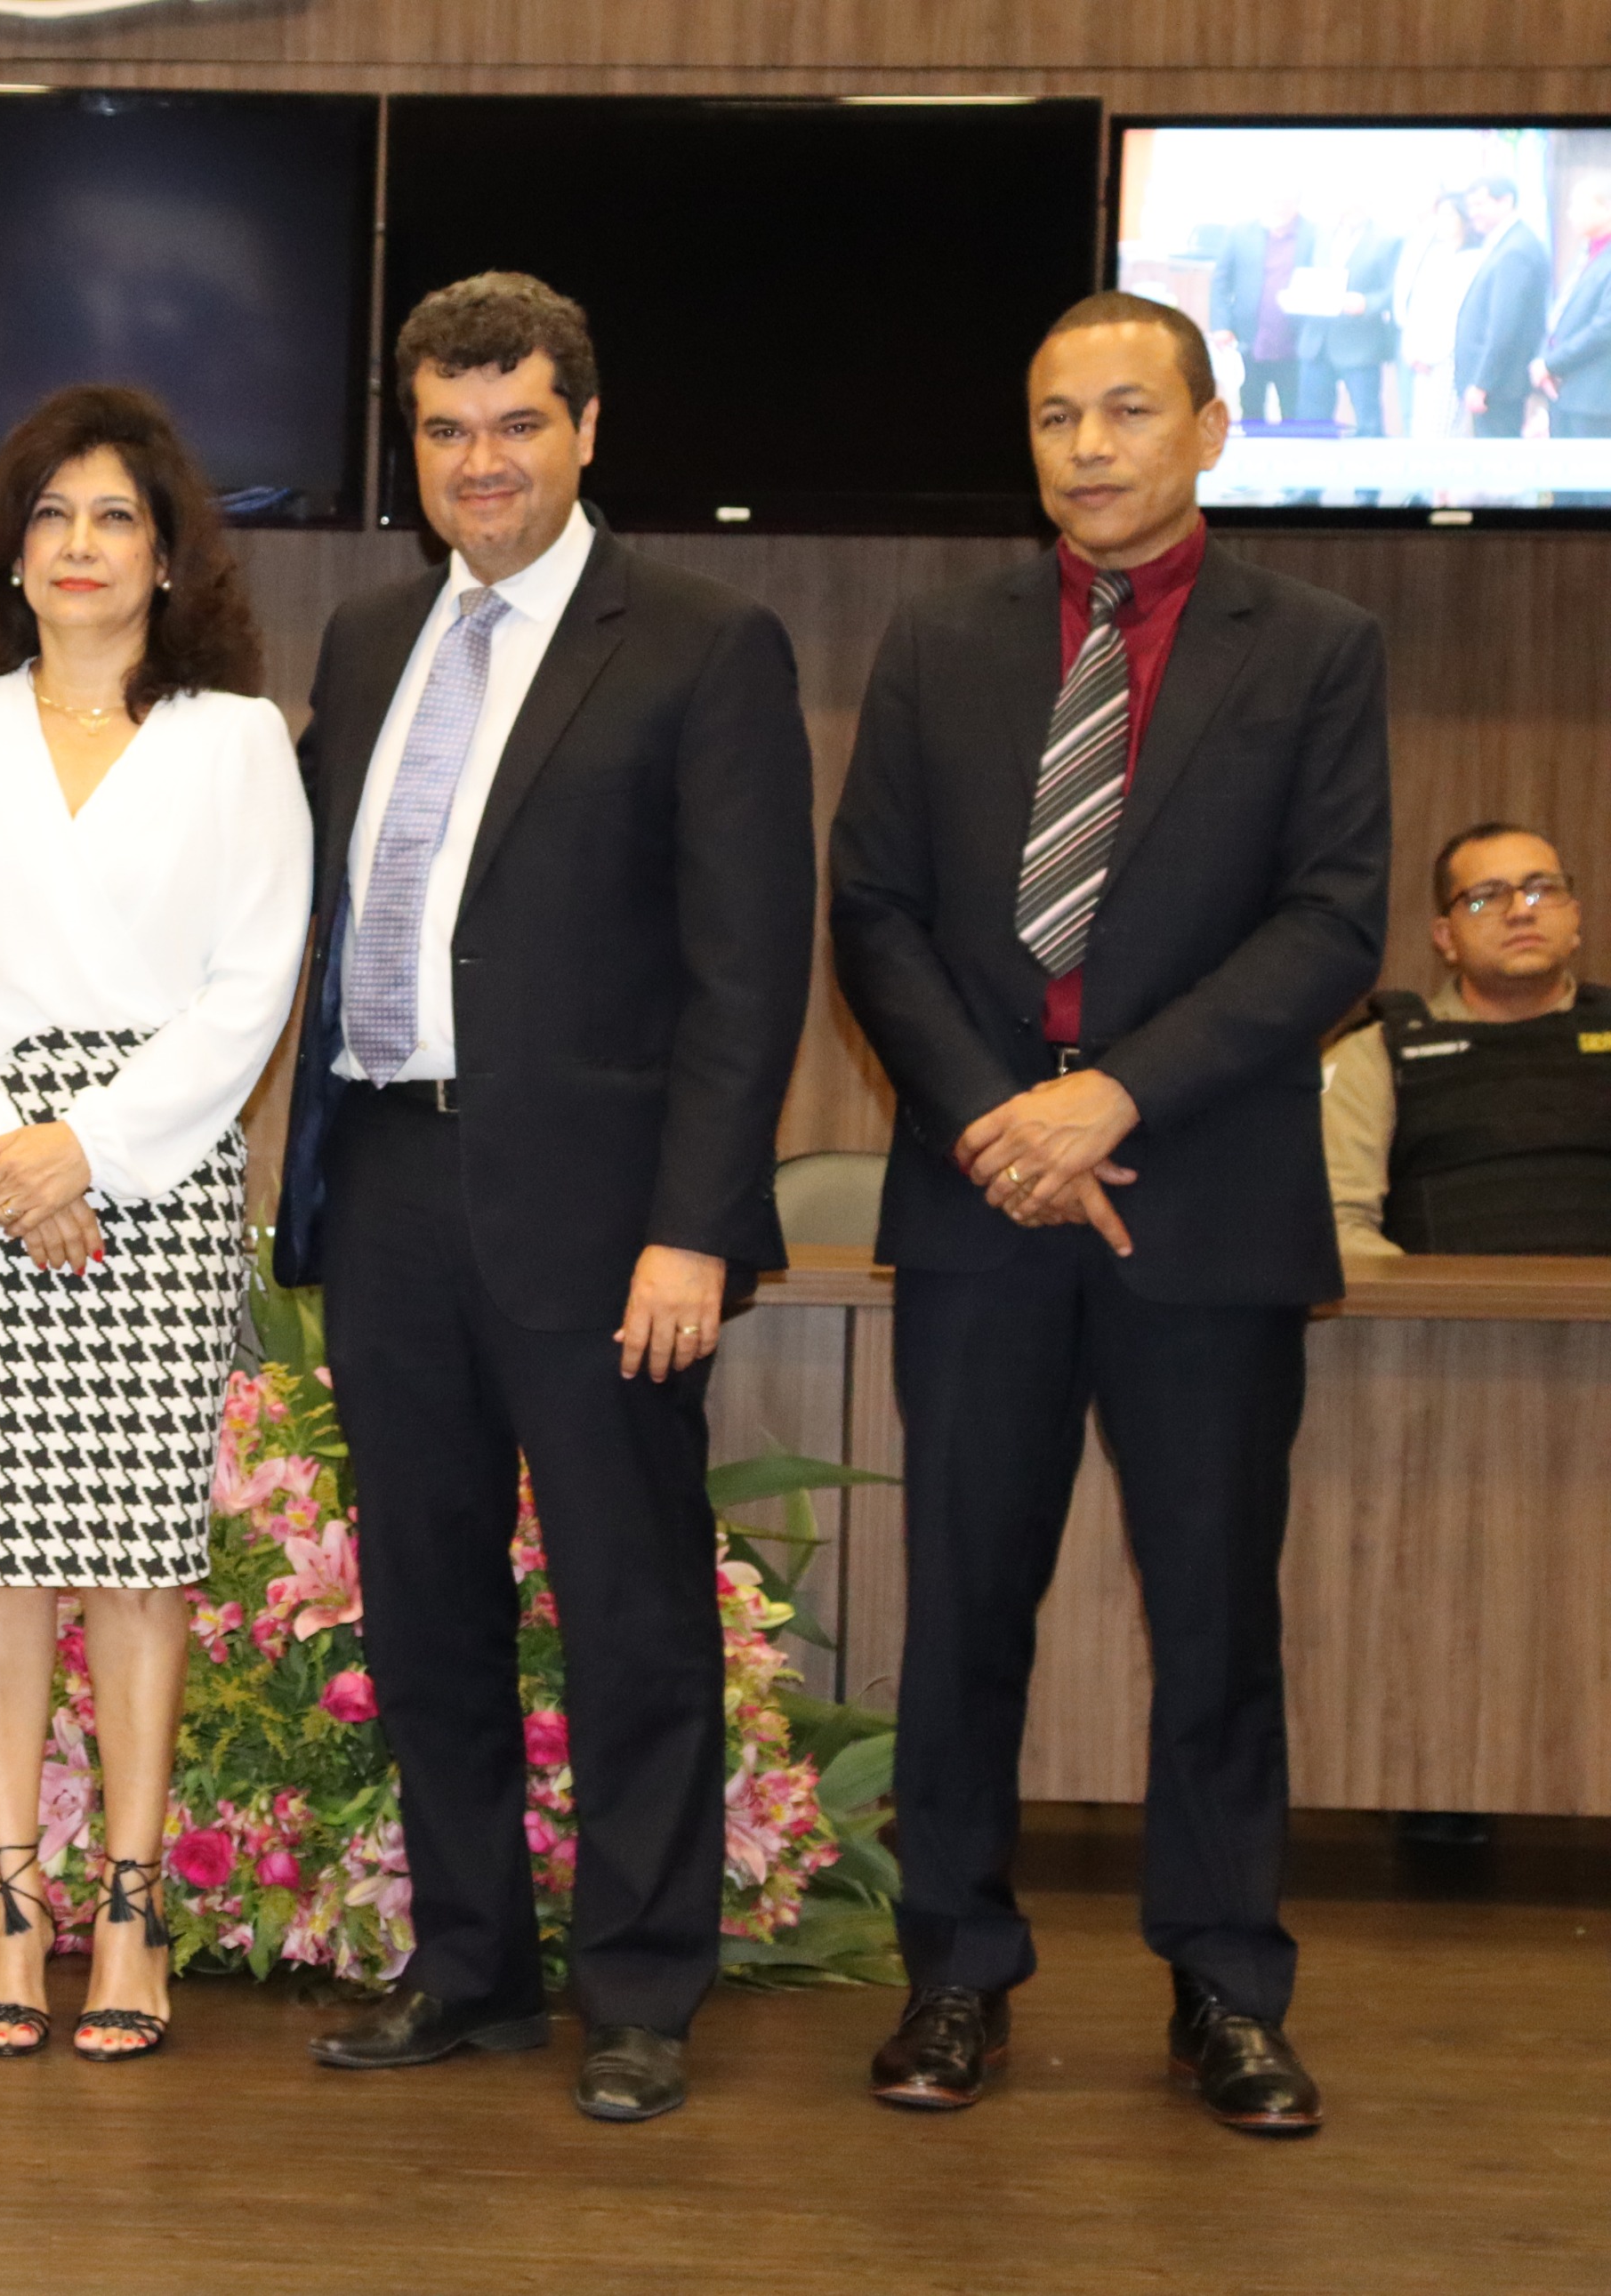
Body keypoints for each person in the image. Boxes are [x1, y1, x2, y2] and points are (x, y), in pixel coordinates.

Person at [830, 291, 1389, 2135]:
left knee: (1215, 1613)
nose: (1087, 446)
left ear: (1209, 431)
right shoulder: (938, 641)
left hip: (1201, 1195)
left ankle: (1226, 1988)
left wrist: (1114, 1094)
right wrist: (1000, 1120)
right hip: (981, 1192)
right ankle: (952, 1974)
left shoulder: (1313, 647)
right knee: (961, 1606)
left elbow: (1331, 920)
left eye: (1128, 410)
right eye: (1056, 414)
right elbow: (873, 910)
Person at [269, 271, 817, 2124]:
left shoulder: (702, 642)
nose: (479, 461)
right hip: (389, 1178)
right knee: (424, 1607)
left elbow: (746, 974)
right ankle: (472, 1967)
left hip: (605, 1222)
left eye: (515, 424)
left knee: (629, 1612)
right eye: (445, 429)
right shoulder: (366, 637)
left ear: (585, 430)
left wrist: (695, 1225)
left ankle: (643, 1985)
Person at [0, 384, 309, 2060]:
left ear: (169, 555)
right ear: (10, 553)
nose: (81, 545)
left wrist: (90, 1151)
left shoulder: (235, 740)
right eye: (51, 515)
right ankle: (14, 1900)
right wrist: (3, 1153)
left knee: (137, 1563)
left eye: (116, 516)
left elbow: (253, 985)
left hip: (156, 1177)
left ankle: (129, 1905)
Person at [1325, 823, 1611, 1256]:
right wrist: (1443, 1295)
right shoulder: (1375, 1054)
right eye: (1486, 897)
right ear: (1446, 938)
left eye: (1542, 890)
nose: (1521, 911)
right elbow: (1336, 1228)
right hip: (1435, 1302)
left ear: (1575, 919)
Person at [1453, 175, 1551, 440]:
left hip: (1499, 386)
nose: (1473, 213)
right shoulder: (1506, 243)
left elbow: (1504, 326)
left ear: (1506, 201)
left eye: (1480, 204)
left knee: (1499, 459)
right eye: (1470, 206)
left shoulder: (1516, 249)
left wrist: (1482, 382)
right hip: (1493, 383)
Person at [1206, 190, 1313, 424]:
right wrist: (1221, 326)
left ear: (1297, 203)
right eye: (1274, 199)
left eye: (1286, 200)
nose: (1279, 206)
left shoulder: (1314, 234)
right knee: (1251, 412)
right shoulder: (1240, 233)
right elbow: (1220, 283)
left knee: (1295, 416)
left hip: (1295, 345)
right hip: (1250, 341)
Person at [1304, 198, 1403, 435]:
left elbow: (1397, 289)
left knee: (1368, 423)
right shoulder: (1320, 234)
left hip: (1360, 344)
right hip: (1317, 343)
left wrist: (1368, 303)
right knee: (1311, 424)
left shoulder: (1387, 239)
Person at [1394, 193, 1481, 440]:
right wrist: (1413, 350)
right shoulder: (1435, 254)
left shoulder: (1475, 259)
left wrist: (1431, 354)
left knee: (1442, 433)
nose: (1441, 221)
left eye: (1449, 215)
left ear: (1465, 219)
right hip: (1419, 356)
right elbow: (1418, 307)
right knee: (1419, 429)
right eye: (1439, 215)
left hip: (1448, 358)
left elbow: (1455, 316)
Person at [1529, 178, 1611, 439]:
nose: (1570, 214)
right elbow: (1561, 315)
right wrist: (1545, 361)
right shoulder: (1586, 252)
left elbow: (1604, 328)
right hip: (1564, 391)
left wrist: (1553, 363)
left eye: (1578, 205)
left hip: (1596, 397)